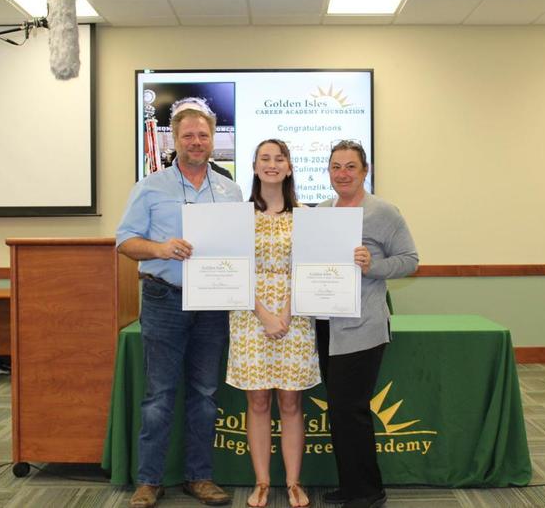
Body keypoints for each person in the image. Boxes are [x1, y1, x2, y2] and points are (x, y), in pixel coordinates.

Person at [117, 107, 243, 508]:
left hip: (213, 303)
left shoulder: (231, 191)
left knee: (205, 394)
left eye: (203, 136)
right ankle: (149, 481)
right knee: (159, 395)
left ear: (212, 140)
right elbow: (124, 242)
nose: (196, 143)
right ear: (174, 140)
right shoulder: (150, 186)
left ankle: (199, 477)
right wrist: (159, 248)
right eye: (188, 136)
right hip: (164, 297)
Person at [316, 140, 418, 508]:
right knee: (340, 412)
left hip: (363, 328)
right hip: (327, 326)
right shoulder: (321, 212)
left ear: (365, 170)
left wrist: (371, 266)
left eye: (350, 167)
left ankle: (368, 492)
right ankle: (352, 486)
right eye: (335, 167)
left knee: (351, 411)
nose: (342, 174)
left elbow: (410, 260)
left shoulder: (383, 212)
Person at [226, 139, 320, 508]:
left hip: (296, 316)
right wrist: (264, 313)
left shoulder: (307, 216)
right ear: (254, 167)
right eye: (264, 158)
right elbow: (232, 271)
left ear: (290, 167)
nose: (272, 164)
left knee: (292, 402)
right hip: (249, 316)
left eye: (279, 158)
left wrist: (286, 311)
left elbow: (309, 270)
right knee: (259, 400)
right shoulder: (238, 217)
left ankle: (294, 482)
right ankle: (262, 482)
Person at [165, 97, 232, 180]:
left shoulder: (224, 178)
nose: (196, 142)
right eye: (181, 119)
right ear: (173, 130)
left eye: (198, 117)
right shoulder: (155, 175)